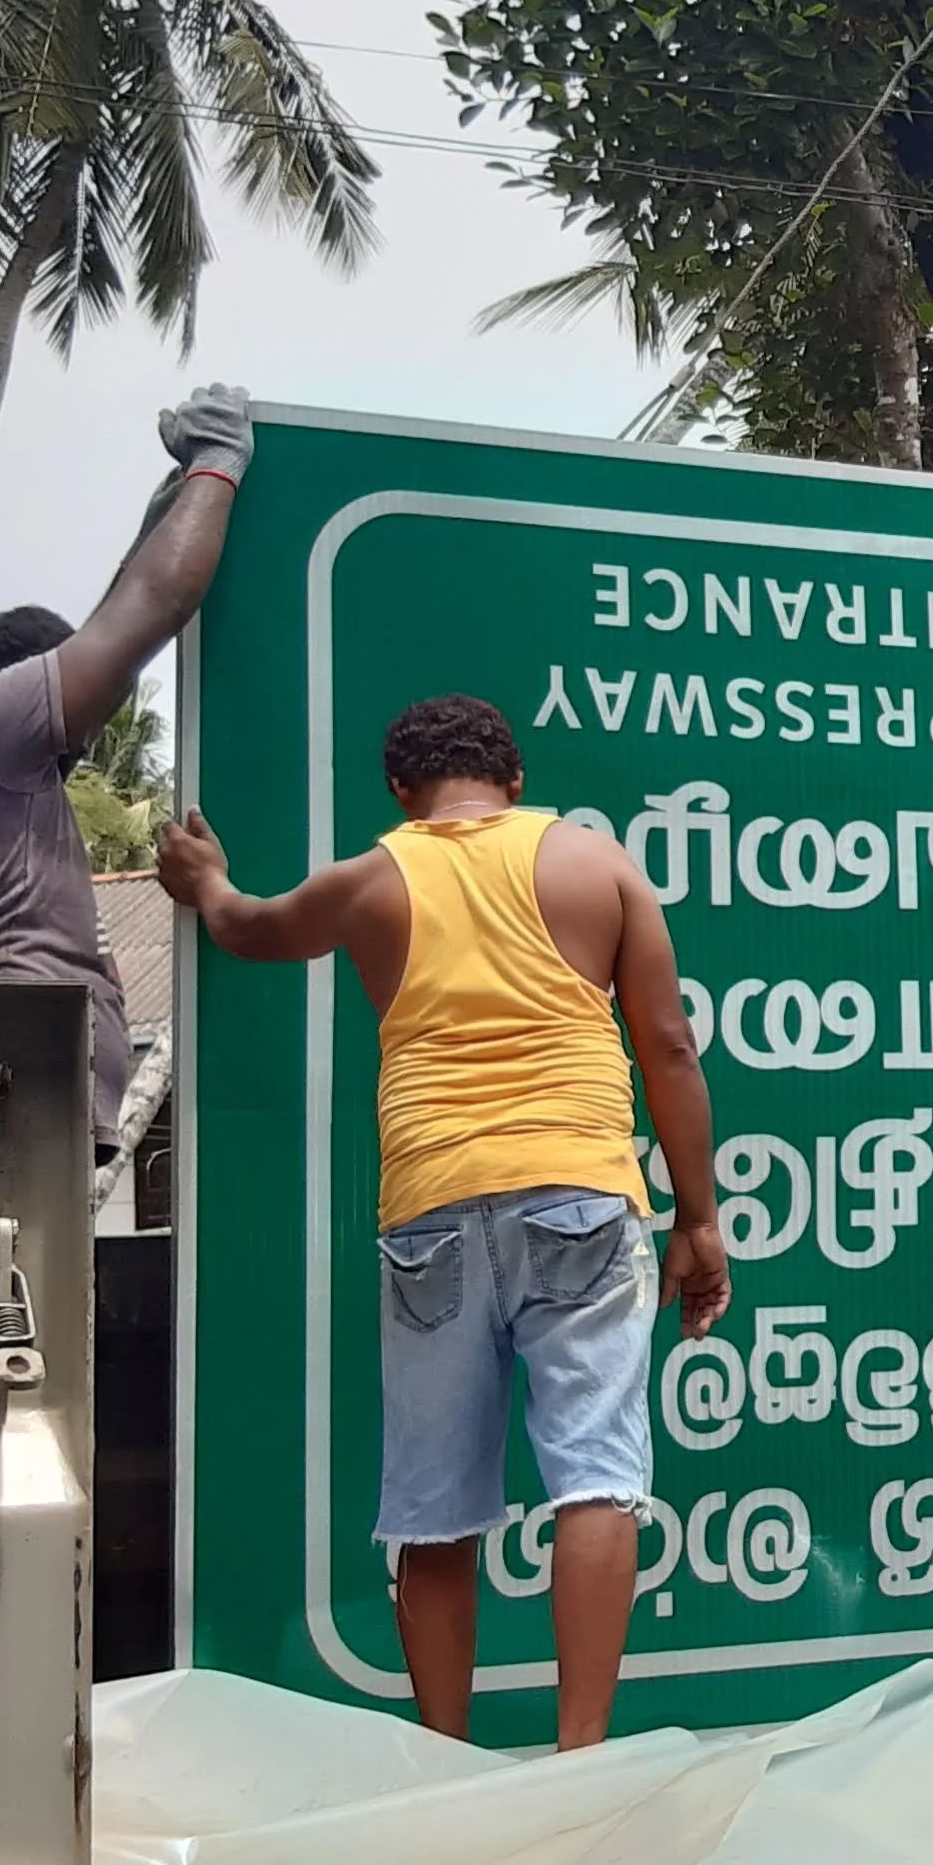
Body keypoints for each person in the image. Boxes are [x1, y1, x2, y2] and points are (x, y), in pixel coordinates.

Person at [156, 694, 731, 1747]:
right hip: (582, 1194)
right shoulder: (595, 864)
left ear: (400, 790)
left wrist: (206, 882)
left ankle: (443, 1760)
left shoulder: (370, 879)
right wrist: (699, 1218)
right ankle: (581, 1754)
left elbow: (248, 926)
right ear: (514, 779)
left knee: (434, 1505)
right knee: (597, 1476)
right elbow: (670, 1047)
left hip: (431, 1209)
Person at [0, 384, 253, 1149]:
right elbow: (147, 608)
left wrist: (167, 503)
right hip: (1, 1108)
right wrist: (220, 465)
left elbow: (114, 622)